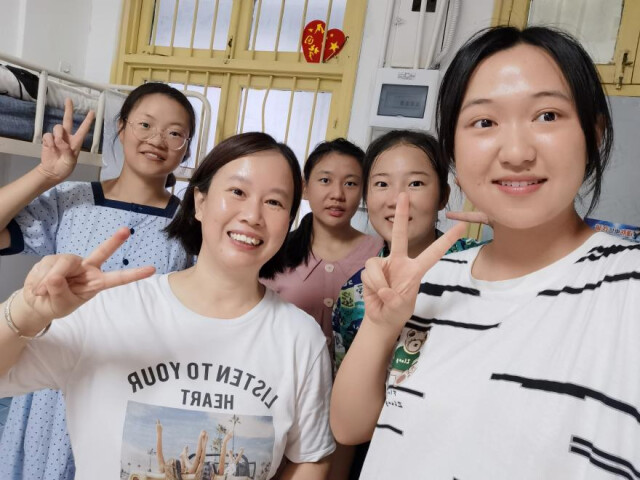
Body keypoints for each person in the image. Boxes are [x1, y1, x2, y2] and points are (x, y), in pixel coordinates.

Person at [330, 25, 640, 479]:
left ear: (593, 134)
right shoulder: (431, 279)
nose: (516, 152)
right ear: (453, 152)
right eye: (484, 122)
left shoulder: (627, 289)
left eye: (547, 115)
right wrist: (381, 325)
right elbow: (350, 426)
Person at [0, 131, 334, 480]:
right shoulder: (109, 309)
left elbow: (310, 457)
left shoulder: (300, 338)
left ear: (289, 221)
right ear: (200, 202)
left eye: (275, 202)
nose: (253, 215)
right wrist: (28, 311)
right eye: (238, 192)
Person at [0, 82, 196, 480]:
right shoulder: (70, 199)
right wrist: (46, 174)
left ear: (186, 149)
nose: (157, 139)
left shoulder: (191, 224)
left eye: (175, 133)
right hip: (52, 385)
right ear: (121, 128)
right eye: (145, 124)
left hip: (136, 384)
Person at [331, 130, 480, 479]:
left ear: (443, 195)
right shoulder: (355, 295)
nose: (398, 200)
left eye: (415, 183)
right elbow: (350, 426)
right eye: (381, 184)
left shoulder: (484, 268)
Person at [262, 138, 383, 352]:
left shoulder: (381, 253)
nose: (337, 194)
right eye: (325, 180)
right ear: (305, 187)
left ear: (363, 192)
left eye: (350, 183)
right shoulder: (275, 251)